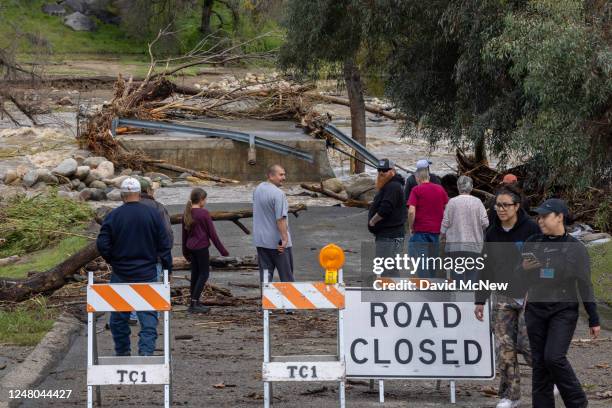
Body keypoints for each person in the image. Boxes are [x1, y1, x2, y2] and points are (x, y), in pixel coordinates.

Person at [521, 198, 600, 408]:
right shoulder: (532, 242)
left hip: (563, 310)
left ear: (559, 217)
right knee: (539, 365)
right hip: (536, 309)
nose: (540, 221)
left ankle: (577, 401)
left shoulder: (576, 248)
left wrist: (594, 318)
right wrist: (523, 269)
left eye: (545, 216)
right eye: (538, 217)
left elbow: (585, 284)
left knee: (554, 357)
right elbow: (517, 277)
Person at [474, 185, 540, 408]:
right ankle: (510, 396)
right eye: (497, 205)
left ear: (517, 206)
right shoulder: (492, 232)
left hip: (530, 296)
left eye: (505, 205)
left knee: (529, 345)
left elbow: (544, 264)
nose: (500, 209)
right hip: (502, 296)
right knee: (504, 348)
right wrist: (479, 300)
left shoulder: (532, 229)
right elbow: (485, 268)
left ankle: (551, 378)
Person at [96, 177, 172, 357]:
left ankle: (122, 352)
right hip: (147, 271)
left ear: (123, 195)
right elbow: (164, 243)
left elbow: (102, 243)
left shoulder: (114, 215)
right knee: (148, 317)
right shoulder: (152, 214)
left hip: (121, 272)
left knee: (118, 317)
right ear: (139, 193)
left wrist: (112, 260)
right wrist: (168, 268)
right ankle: (146, 351)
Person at [182, 188, 229, 313]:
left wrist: (185, 252)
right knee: (204, 274)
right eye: (206, 199)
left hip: (190, 248)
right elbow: (212, 234)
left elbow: (184, 235)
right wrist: (223, 251)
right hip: (201, 248)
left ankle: (194, 302)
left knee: (195, 274)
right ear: (202, 200)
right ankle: (194, 303)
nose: (206, 201)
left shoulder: (187, 213)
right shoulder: (204, 213)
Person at [440, 175, 488, 282]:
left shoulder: (452, 202)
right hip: (474, 246)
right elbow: (485, 223)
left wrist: (442, 235)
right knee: (472, 276)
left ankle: (459, 297)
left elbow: (445, 224)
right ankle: (470, 298)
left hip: (455, 247)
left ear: (458, 187)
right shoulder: (478, 202)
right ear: (471, 187)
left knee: (457, 277)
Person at [253, 164, 294, 283]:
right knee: (287, 278)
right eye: (281, 174)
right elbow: (280, 218)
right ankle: (288, 301)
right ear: (271, 176)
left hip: (261, 241)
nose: (284, 177)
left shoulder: (258, 189)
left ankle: (264, 301)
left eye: (284, 174)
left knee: (265, 277)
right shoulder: (278, 194)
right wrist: (285, 238)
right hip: (278, 243)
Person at [367, 159, 406, 276]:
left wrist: (372, 222)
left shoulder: (392, 186)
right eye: (379, 170)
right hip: (390, 235)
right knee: (389, 267)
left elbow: (386, 208)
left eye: (385, 170)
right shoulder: (392, 185)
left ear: (393, 171)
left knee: (387, 269)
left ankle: (389, 293)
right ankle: (389, 292)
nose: (381, 173)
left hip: (389, 236)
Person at [407, 167, 448, 278]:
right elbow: (447, 208)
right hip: (436, 232)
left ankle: (425, 286)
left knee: (419, 259)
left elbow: (411, 211)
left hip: (420, 231)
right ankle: (431, 284)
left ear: (417, 178)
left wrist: (411, 226)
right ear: (428, 177)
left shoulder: (416, 190)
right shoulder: (440, 189)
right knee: (432, 261)